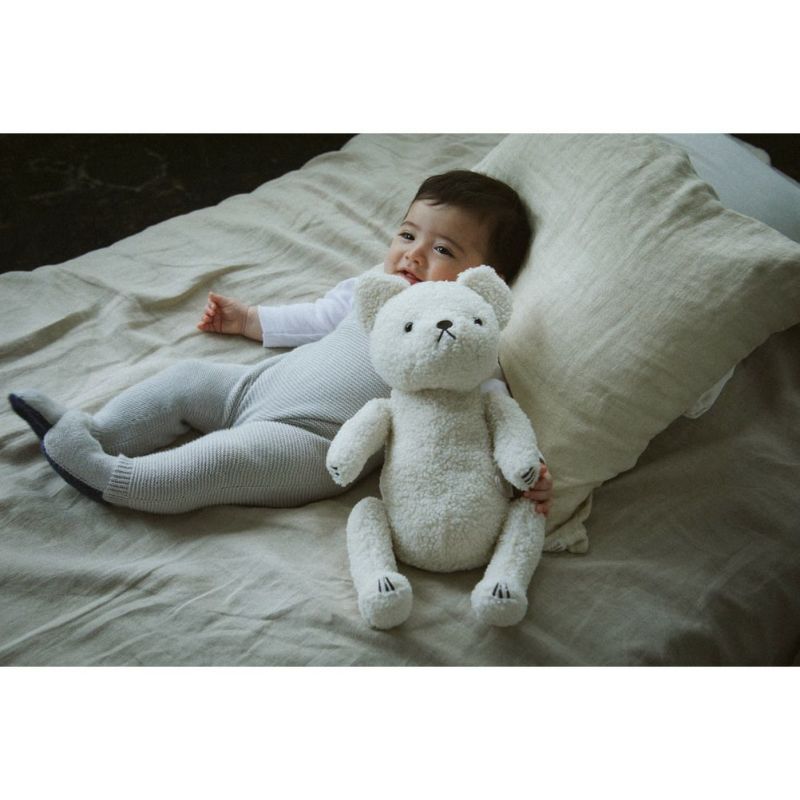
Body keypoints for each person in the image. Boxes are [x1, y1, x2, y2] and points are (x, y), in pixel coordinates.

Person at [9, 170, 554, 516]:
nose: (411, 254)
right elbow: (320, 316)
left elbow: (488, 408)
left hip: (310, 443)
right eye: (408, 235)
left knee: (223, 461)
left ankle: (115, 479)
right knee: (186, 378)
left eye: (443, 250)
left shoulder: (463, 344)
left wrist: (523, 471)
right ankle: (100, 431)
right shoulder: (376, 286)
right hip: (258, 386)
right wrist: (251, 321)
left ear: (484, 280)